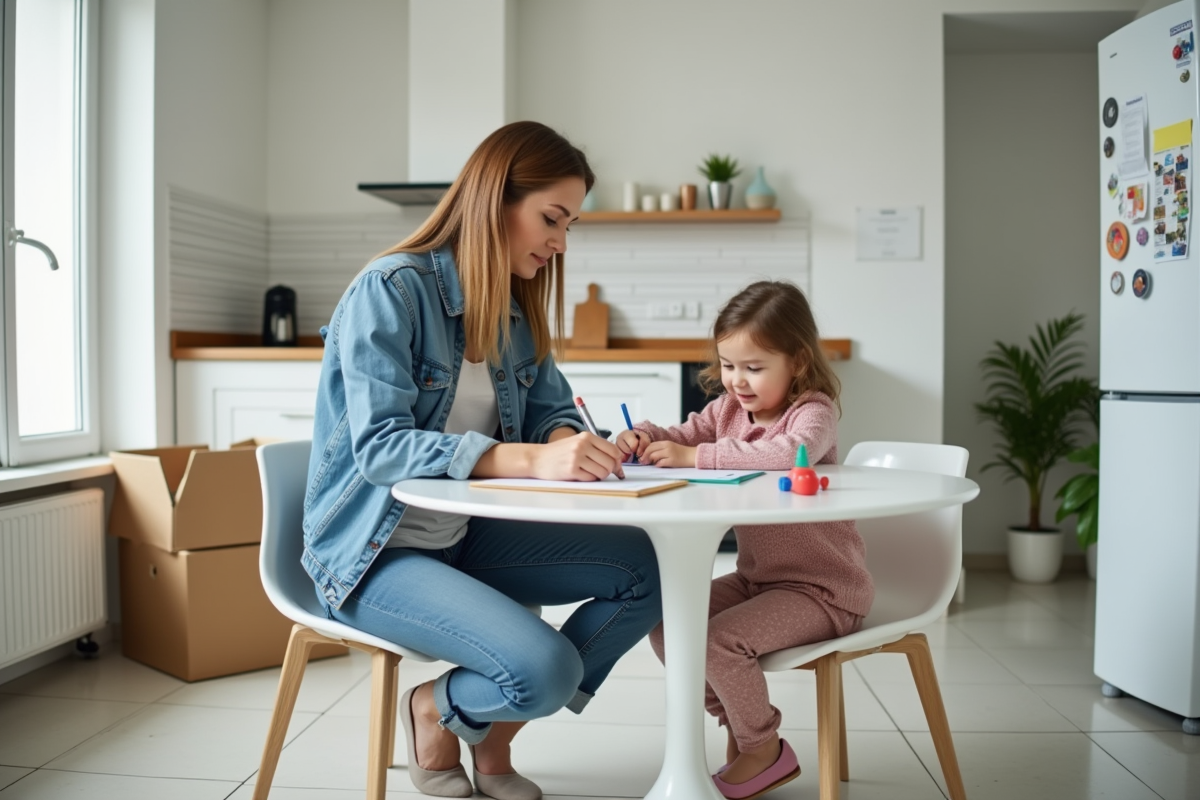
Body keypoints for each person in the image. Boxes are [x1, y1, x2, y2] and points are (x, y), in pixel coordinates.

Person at [302, 121, 662, 800]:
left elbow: (553, 412)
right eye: (551, 218)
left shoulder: (514, 314)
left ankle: (488, 730)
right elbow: (381, 448)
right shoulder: (391, 291)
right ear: (493, 200)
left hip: (460, 536)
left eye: (570, 225)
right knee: (547, 671)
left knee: (647, 567)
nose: (559, 242)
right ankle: (434, 709)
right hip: (371, 552)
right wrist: (529, 460)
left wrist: (567, 446)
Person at [615, 281, 874, 799]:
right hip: (761, 582)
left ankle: (763, 747)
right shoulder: (727, 411)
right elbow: (683, 431)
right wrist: (641, 434)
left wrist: (697, 459)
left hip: (823, 590)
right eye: (729, 365)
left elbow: (787, 453)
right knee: (670, 626)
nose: (738, 381)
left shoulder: (812, 412)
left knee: (714, 642)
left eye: (754, 368)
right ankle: (739, 725)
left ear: (797, 362)